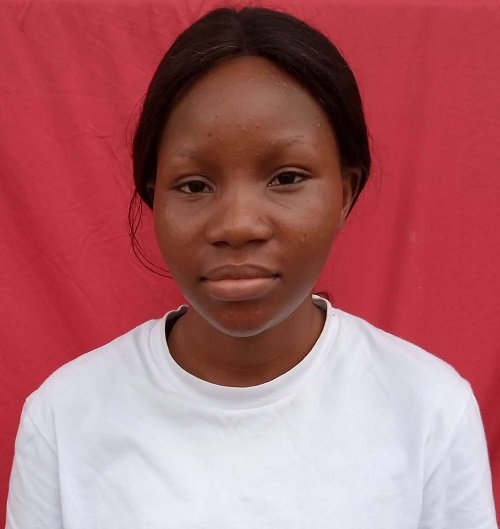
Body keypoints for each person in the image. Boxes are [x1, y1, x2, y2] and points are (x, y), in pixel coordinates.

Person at [6, 6, 497, 528]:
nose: (238, 225)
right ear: (155, 199)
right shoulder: (64, 419)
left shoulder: (430, 411)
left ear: (344, 194)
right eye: (195, 185)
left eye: (286, 178)